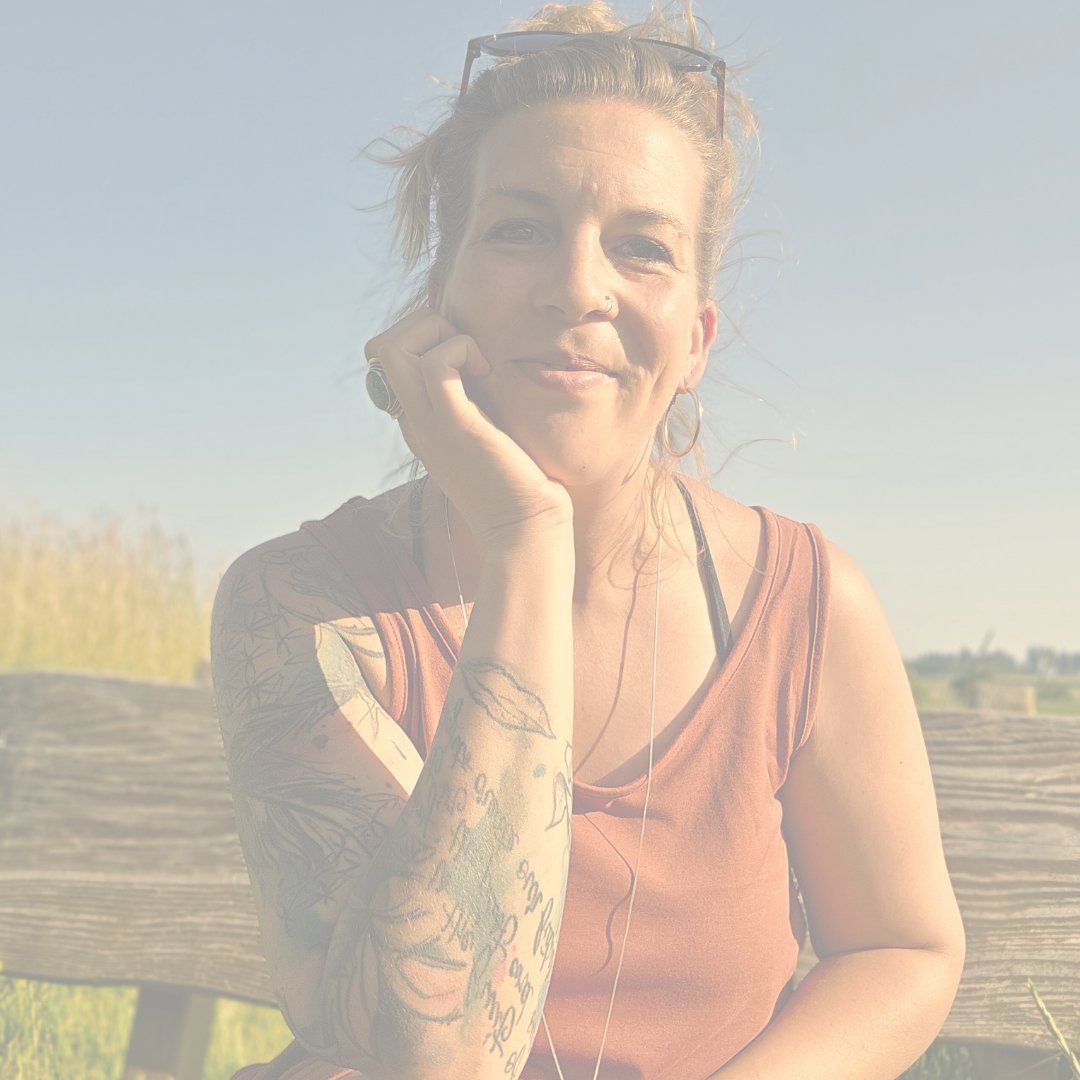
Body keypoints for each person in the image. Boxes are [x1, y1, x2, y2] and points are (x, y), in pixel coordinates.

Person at [211, 4, 965, 1079]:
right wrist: (527, 539)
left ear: (695, 341)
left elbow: (900, 947)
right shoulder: (303, 604)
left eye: (642, 248)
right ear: (440, 297)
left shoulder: (805, 605)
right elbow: (431, 1054)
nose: (577, 286)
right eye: (519, 230)